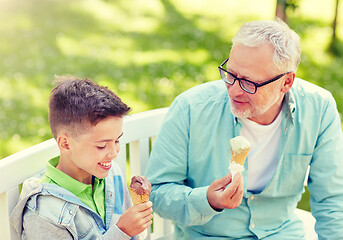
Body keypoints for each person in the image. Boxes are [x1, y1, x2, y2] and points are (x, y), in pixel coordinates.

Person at [145, 19, 343, 239]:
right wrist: (206, 201)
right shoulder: (190, 108)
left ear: (286, 83)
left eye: (249, 83)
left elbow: (332, 198)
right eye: (231, 74)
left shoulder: (319, 108)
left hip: (281, 233)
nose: (234, 90)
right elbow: (157, 191)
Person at [10, 77, 153, 239]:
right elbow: (124, 231)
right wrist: (122, 232)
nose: (114, 153)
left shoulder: (112, 173)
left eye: (117, 140)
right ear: (66, 144)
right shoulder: (43, 213)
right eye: (102, 146)